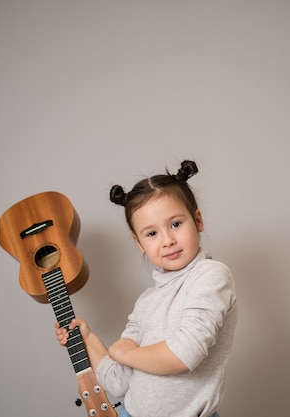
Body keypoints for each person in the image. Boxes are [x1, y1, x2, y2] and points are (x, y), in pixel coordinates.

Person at [55, 160, 238, 417]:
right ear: (138, 242)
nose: (168, 240)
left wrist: (127, 354)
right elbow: (117, 382)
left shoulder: (210, 276)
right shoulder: (146, 302)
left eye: (176, 224)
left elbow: (184, 354)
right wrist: (88, 338)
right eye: (151, 234)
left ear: (198, 220)